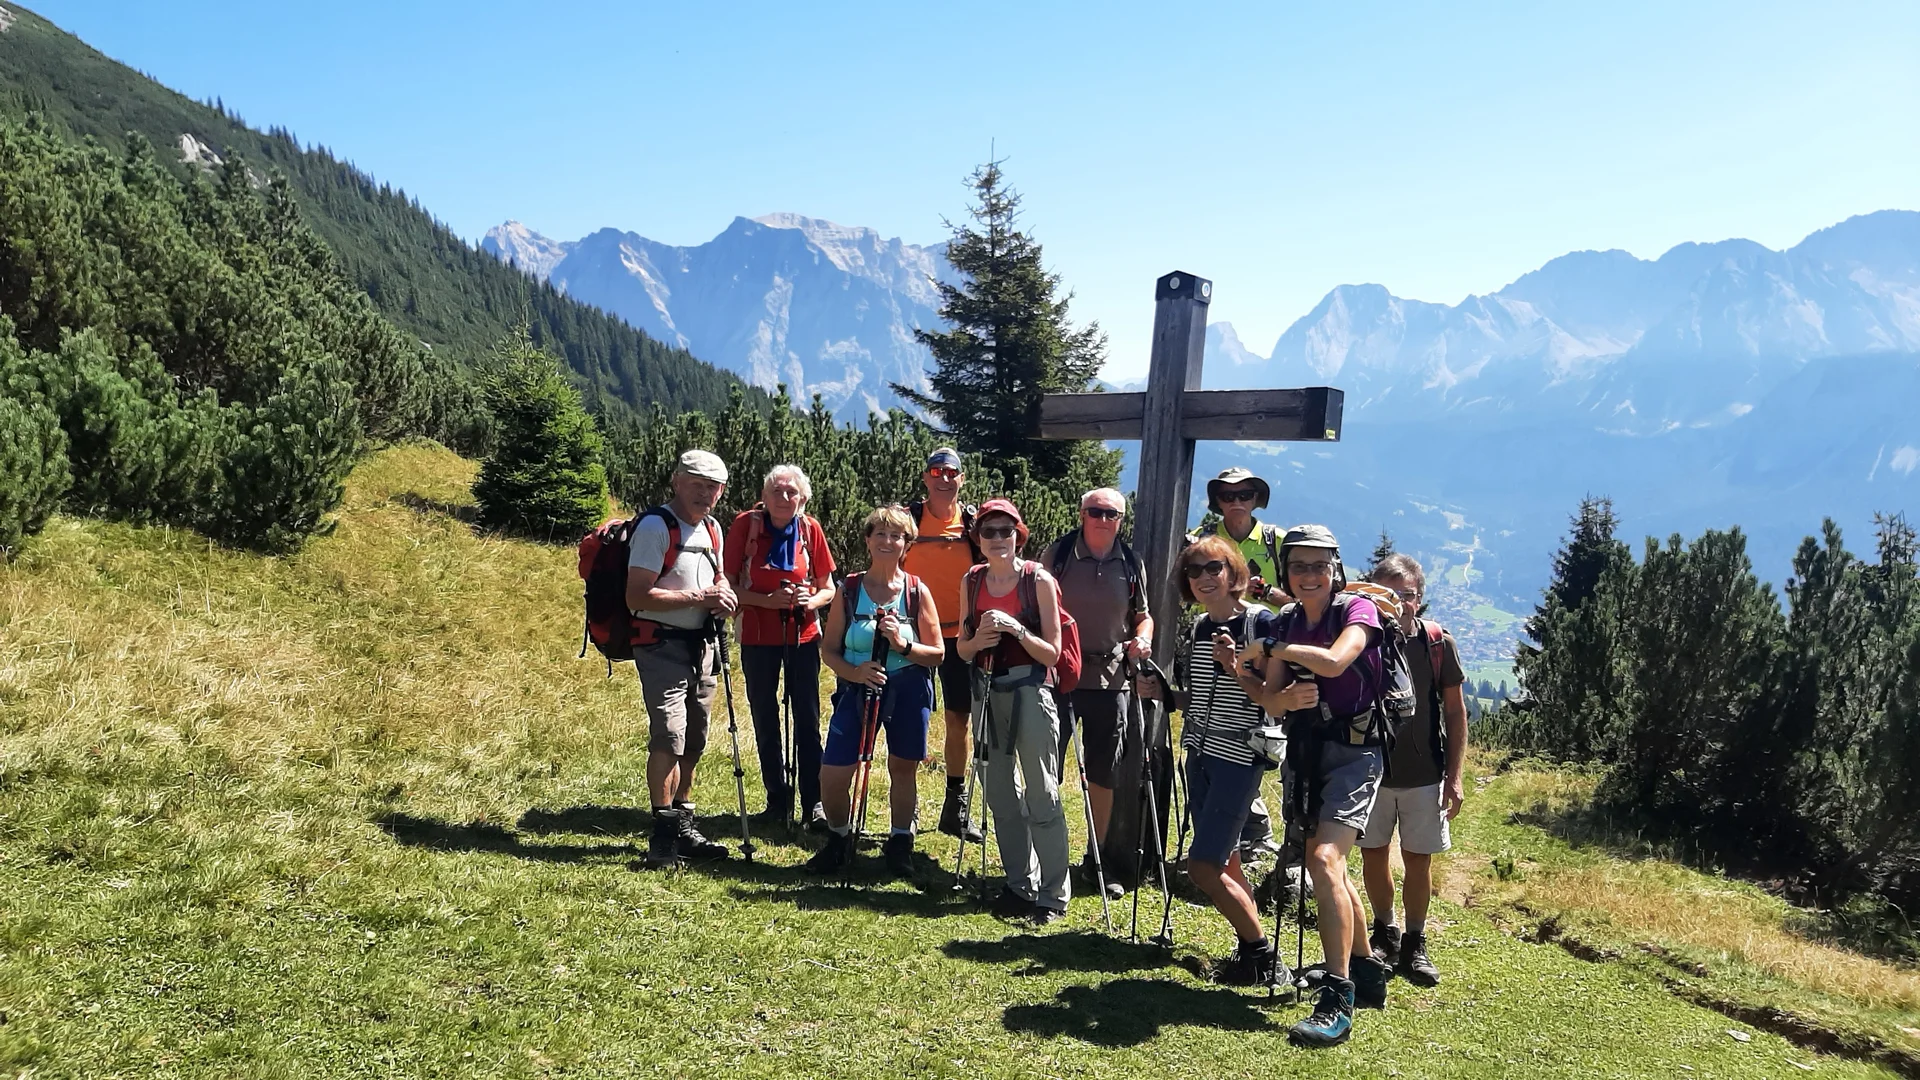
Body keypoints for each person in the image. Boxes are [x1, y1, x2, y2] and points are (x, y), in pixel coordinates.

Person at [1253, 524, 1394, 1048]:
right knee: (1326, 861)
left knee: (1324, 862)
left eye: (1319, 565)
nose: (1309, 575)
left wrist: (1273, 646)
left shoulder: (1358, 612)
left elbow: (1338, 660)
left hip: (1358, 753)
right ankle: (1365, 968)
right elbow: (1269, 699)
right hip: (1307, 750)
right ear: (1286, 572)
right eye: (1298, 566)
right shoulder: (1286, 621)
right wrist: (1284, 698)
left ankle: (1338, 995)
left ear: (1336, 569)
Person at [1133, 535, 1283, 986]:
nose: (1203, 578)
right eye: (1194, 571)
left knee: (1203, 866)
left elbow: (1274, 699)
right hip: (1198, 754)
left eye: (1213, 568)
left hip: (1239, 758)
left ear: (1234, 572)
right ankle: (1248, 951)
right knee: (1228, 859)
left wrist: (1235, 664)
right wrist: (1163, 693)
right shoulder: (1198, 627)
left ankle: (1264, 957)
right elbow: (1195, 697)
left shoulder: (1260, 624)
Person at [808, 506, 944, 875]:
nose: (887, 541)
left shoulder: (917, 592)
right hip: (856, 691)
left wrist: (902, 646)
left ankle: (900, 843)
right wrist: (855, 672)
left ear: (907, 544)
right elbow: (829, 650)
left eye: (896, 536)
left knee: (903, 767)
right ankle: (839, 839)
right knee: (834, 774)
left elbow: (937, 653)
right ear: (868, 540)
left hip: (909, 688)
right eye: (880, 534)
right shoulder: (850, 589)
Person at [957, 499, 1070, 925]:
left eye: (1006, 531)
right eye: (990, 532)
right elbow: (962, 649)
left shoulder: (1037, 580)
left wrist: (1016, 630)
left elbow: (1054, 653)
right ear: (978, 539)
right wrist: (981, 639)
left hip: (1031, 691)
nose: (998, 539)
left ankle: (1053, 895)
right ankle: (1020, 884)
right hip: (986, 690)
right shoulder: (971, 581)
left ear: (1019, 534)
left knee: (1041, 791)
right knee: (1000, 790)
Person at [626, 450, 739, 870]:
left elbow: (718, 576)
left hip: (703, 644)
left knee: (695, 737)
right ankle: (662, 837)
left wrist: (724, 595)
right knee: (670, 735)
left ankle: (683, 822)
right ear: (676, 481)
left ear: (721, 492)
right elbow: (636, 596)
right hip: (661, 643)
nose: (703, 492)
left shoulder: (712, 528)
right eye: (695, 482)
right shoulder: (656, 527)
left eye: (712, 486)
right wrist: (701, 598)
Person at [1359, 553, 1467, 986]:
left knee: (1417, 861)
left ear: (1419, 599)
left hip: (1425, 773)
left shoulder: (1437, 643)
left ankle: (1415, 941)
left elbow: (1456, 714)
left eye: (1405, 595)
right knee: (1372, 855)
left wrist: (1455, 778)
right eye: (1387, 594)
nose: (1398, 603)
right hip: (1369, 770)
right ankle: (1384, 931)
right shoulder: (1361, 639)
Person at [1043, 487, 1152, 901]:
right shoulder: (1060, 553)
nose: (1103, 519)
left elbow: (1143, 617)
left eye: (1112, 514)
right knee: (1046, 769)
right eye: (1095, 511)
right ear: (1082, 512)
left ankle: (1096, 859)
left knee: (1103, 776)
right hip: (1060, 677)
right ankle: (1047, 855)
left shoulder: (1131, 562)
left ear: (1122, 520)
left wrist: (1142, 639)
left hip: (1111, 682)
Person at [724, 464, 837, 831]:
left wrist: (810, 600)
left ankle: (814, 801)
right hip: (757, 636)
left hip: (802, 635)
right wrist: (768, 601)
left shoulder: (810, 529)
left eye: (792, 492)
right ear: (765, 494)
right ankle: (777, 798)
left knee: (807, 716)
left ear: (803, 498)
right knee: (764, 715)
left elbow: (828, 587)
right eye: (777, 491)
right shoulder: (746, 526)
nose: (785, 498)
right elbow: (726, 585)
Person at [1185, 467, 1282, 864]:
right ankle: (1236, 852)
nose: (1235, 500)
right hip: (1219, 642)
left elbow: (1298, 601)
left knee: (1258, 732)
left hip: (1269, 639)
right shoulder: (1204, 541)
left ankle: (1260, 844)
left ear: (1257, 497)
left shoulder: (1276, 540)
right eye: (1226, 495)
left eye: (1244, 493)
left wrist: (1259, 592)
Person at [902, 447, 985, 843]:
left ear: (961, 478)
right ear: (926, 477)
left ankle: (955, 807)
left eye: (952, 471)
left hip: (960, 638)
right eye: (937, 470)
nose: (944, 477)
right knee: (907, 721)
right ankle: (908, 807)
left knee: (959, 721)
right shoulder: (910, 520)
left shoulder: (972, 524)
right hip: (912, 635)